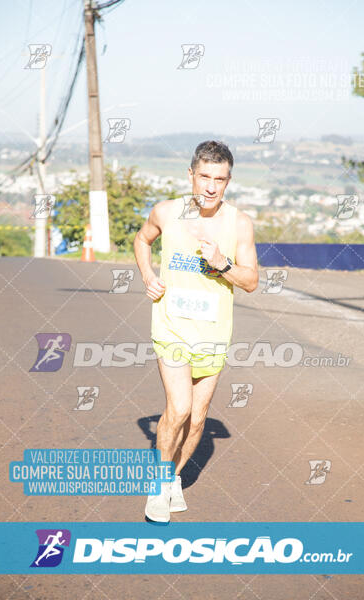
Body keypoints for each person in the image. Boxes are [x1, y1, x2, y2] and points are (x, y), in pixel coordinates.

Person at [134, 140, 259, 522]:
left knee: (199, 417)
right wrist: (148, 276)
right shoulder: (167, 212)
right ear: (191, 175)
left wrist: (222, 264)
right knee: (180, 407)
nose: (210, 186)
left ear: (228, 181)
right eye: (204, 176)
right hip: (171, 326)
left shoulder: (238, 223)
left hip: (214, 332)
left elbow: (252, 281)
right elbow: (142, 240)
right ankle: (158, 486)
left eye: (219, 179)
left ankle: (171, 477)